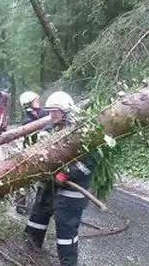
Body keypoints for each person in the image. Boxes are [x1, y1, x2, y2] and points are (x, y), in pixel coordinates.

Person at [25, 92, 98, 266]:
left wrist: (66, 174)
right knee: (37, 215)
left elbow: (90, 161)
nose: (51, 115)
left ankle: (68, 263)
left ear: (66, 110)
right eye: (50, 111)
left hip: (71, 192)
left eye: (55, 111)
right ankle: (30, 250)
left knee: (66, 230)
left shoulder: (82, 131)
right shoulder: (50, 129)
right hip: (49, 185)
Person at [14, 91, 44, 215]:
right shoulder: (27, 121)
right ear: (29, 104)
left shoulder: (39, 113)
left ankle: (40, 204)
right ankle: (20, 205)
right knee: (24, 179)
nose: (39, 101)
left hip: (40, 152)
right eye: (36, 100)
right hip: (30, 153)